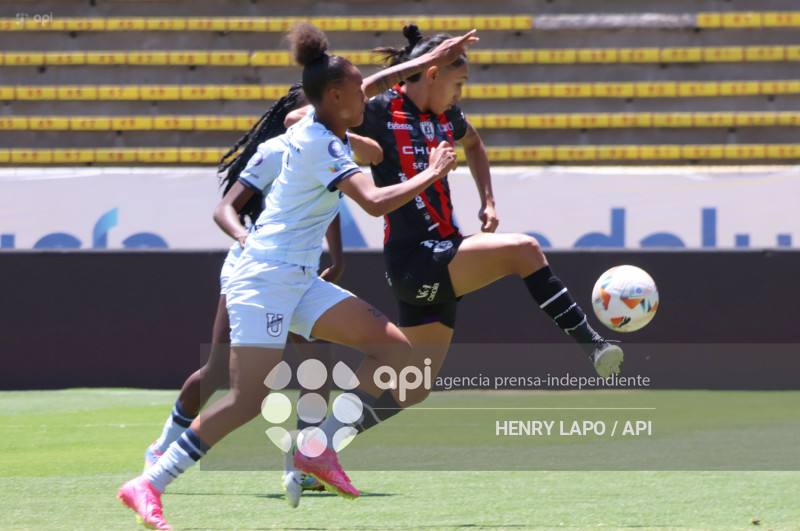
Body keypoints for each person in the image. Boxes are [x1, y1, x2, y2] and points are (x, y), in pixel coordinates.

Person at [117, 22, 475, 530]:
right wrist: (431, 173)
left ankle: (316, 449)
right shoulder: (321, 145)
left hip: (299, 278)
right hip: (263, 278)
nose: (369, 94)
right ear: (334, 96)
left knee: (397, 351)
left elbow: (377, 81)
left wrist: (433, 55)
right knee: (247, 398)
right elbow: (373, 205)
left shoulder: (326, 124)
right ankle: (149, 483)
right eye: (357, 89)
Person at [345, 24, 624, 430]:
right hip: (414, 258)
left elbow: (473, 144)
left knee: (414, 385)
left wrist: (488, 200)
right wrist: (354, 144)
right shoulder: (378, 110)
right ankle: (593, 345)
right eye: (458, 83)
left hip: (442, 251)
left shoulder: (447, 115)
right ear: (433, 73)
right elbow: (310, 116)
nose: (461, 94)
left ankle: (319, 445)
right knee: (524, 249)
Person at [140, 82, 382, 509]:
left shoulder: (328, 146)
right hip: (254, 268)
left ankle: (303, 462)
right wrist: (242, 237)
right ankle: (164, 446)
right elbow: (226, 208)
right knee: (219, 372)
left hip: (296, 272)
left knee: (313, 364)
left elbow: (326, 198)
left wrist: (338, 258)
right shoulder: (277, 149)